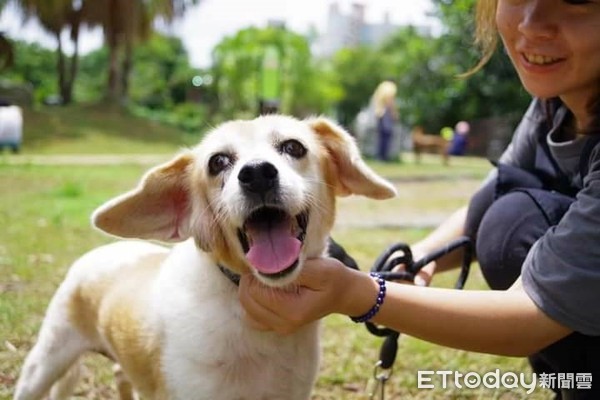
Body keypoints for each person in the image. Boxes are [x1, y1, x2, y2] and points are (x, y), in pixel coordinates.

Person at [239, 1, 600, 398]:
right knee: (501, 206)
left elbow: (533, 313)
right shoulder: (556, 102)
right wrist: (418, 258)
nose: (532, 24)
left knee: (511, 225)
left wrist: (361, 295)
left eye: (575, 1)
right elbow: (490, 195)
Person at [371, 80, 398, 161]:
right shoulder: (390, 88)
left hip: (379, 114)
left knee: (381, 137)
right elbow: (390, 102)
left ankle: (380, 156)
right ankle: (384, 157)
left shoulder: (381, 88)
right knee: (386, 136)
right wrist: (394, 113)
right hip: (386, 114)